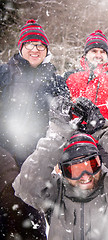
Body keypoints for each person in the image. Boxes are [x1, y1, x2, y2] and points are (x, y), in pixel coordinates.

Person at [13, 96, 108, 240]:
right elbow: (27, 185)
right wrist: (57, 135)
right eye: (75, 170)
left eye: (91, 165)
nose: (85, 176)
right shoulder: (56, 193)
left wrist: (103, 130)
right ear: (64, 172)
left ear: (100, 162)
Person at [0, 19, 66, 239]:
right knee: (8, 200)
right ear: (20, 47)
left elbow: (63, 119)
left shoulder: (54, 80)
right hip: (4, 150)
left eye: (40, 45)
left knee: (33, 210)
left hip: (37, 153)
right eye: (29, 44)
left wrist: (56, 151)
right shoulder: (5, 73)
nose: (35, 49)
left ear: (46, 50)